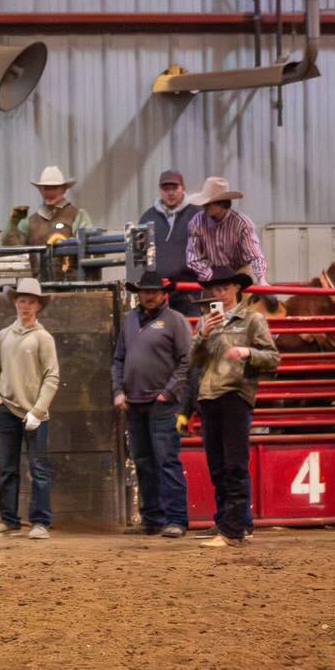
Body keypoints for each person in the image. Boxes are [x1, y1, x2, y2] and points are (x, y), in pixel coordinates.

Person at [191, 267, 280, 548]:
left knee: (234, 464)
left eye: (224, 288)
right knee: (218, 465)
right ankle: (230, 522)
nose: (219, 293)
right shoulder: (206, 321)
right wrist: (203, 334)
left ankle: (233, 529)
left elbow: (273, 358)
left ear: (236, 289)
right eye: (215, 289)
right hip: (209, 395)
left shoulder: (252, 320)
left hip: (235, 395)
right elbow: (193, 359)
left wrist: (247, 352)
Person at [111, 271, 192, 538]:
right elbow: (119, 359)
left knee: (166, 460)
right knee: (144, 461)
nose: (148, 295)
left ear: (163, 294)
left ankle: (176, 518)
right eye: (144, 291)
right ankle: (153, 518)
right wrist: (118, 391)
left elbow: (185, 361)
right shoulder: (130, 321)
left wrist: (168, 392)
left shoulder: (175, 321)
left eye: (153, 292)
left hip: (162, 404)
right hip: (134, 403)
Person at [0, 278, 60, 541]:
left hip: (34, 413)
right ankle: (9, 520)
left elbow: (52, 377)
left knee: (38, 468)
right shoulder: (4, 335)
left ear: (38, 306)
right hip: (7, 409)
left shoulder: (43, 337)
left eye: (31, 301)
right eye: (22, 300)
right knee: (8, 467)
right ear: (15, 303)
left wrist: (38, 411)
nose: (26, 306)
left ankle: (41, 521)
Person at [137, 169, 202, 316]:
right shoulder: (147, 218)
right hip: (157, 292)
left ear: (183, 188)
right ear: (160, 191)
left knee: (191, 332)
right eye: (166, 189)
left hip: (190, 291)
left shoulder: (197, 215)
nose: (170, 193)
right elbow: (137, 254)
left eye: (175, 188)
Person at [185, 177, 267, 289]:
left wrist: (261, 278)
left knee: (243, 305)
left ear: (222, 204)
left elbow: (255, 254)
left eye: (208, 203)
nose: (204, 206)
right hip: (211, 274)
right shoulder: (196, 222)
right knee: (209, 304)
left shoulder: (242, 223)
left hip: (239, 273)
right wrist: (211, 277)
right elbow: (193, 257)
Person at [0, 165, 92, 248]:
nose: (50, 192)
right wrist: (13, 224)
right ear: (40, 191)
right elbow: (11, 249)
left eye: (54, 188)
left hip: (70, 267)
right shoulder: (29, 222)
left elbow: (87, 245)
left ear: (64, 190)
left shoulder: (78, 215)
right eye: (46, 188)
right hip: (37, 267)